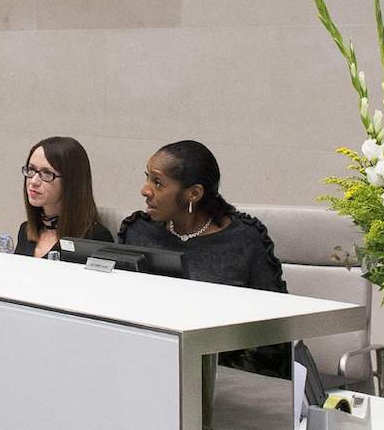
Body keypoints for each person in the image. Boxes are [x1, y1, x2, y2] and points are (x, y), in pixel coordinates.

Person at [119, 139, 289, 377]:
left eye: (157, 183)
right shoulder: (139, 232)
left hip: (224, 376)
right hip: (144, 366)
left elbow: (275, 333)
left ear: (194, 193)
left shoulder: (243, 241)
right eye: (147, 178)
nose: (145, 190)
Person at [10, 136, 111, 257]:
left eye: (47, 173)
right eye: (31, 170)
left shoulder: (94, 239)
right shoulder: (26, 230)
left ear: (71, 182)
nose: (33, 181)